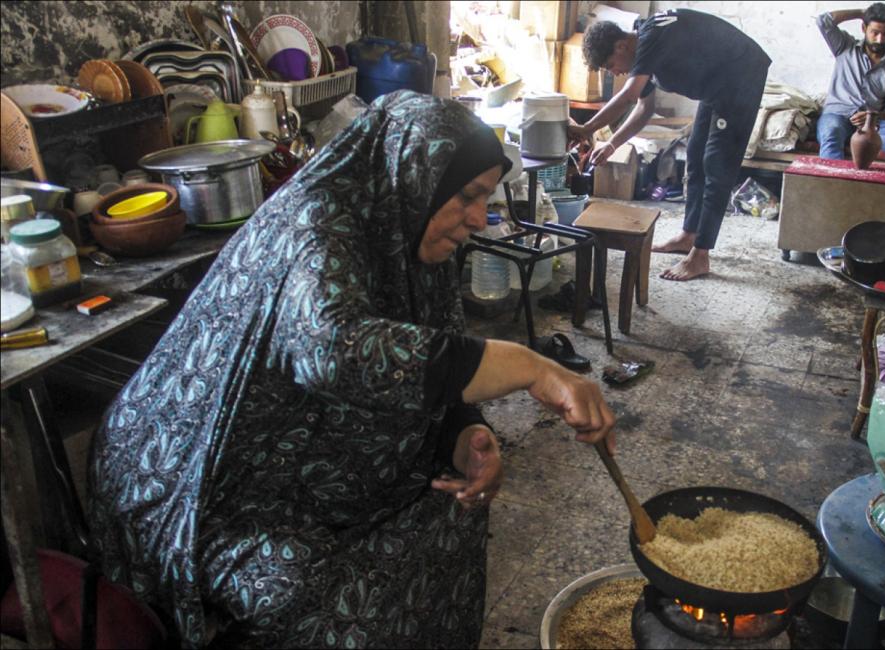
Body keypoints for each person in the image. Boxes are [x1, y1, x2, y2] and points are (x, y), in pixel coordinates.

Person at [87, 91, 617, 648]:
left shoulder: (411, 230)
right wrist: (531, 368)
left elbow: (433, 353)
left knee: (451, 509)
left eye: (483, 199)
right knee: (327, 600)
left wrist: (465, 431)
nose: (477, 219)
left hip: (301, 454)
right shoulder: (314, 222)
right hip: (202, 480)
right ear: (414, 175)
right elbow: (334, 350)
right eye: (466, 196)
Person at [569, 9, 771, 281]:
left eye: (610, 65)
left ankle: (700, 256)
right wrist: (613, 144)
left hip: (741, 76)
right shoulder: (643, 53)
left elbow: (629, 96)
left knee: (717, 165)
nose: (615, 72)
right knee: (695, 155)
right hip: (716, 86)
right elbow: (644, 107)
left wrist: (586, 128)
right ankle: (689, 235)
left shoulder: (651, 36)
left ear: (621, 45)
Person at [815, 4, 885, 161]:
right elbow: (823, 21)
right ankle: (836, 181)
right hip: (838, 116)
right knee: (831, 133)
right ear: (864, 28)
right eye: (875, 32)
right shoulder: (845, 46)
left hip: (873, 124)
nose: (880, 39)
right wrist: (862, 13)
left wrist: (871, 117)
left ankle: (858, 145)